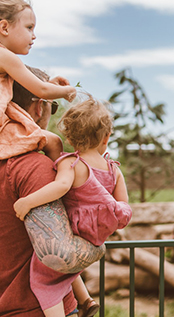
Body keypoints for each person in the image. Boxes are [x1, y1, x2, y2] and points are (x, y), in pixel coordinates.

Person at [14, 98, 133, 317]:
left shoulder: (72, 163)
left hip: (75, 229)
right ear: (106, 137)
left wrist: (27, 202)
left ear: (69, 137)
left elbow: (60, 187)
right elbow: (123, 204)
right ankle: (86, 300)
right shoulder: (114, 169)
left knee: (43, 280)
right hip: (95, 236)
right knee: (68, 269)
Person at [0, 66, 100, 317]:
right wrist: (98, 247)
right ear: (38, 107)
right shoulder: (34, 168)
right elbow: (61, 257)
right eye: (51, 106)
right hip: (34, 308)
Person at [0, 0, 76, 161]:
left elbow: (34, 87)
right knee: (54, 141)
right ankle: (60, 182)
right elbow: (41, 91)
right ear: (4, 27)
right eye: (29, 27)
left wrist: (48, 85)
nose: (34, 35)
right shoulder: (5, 56)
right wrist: (67, 92)